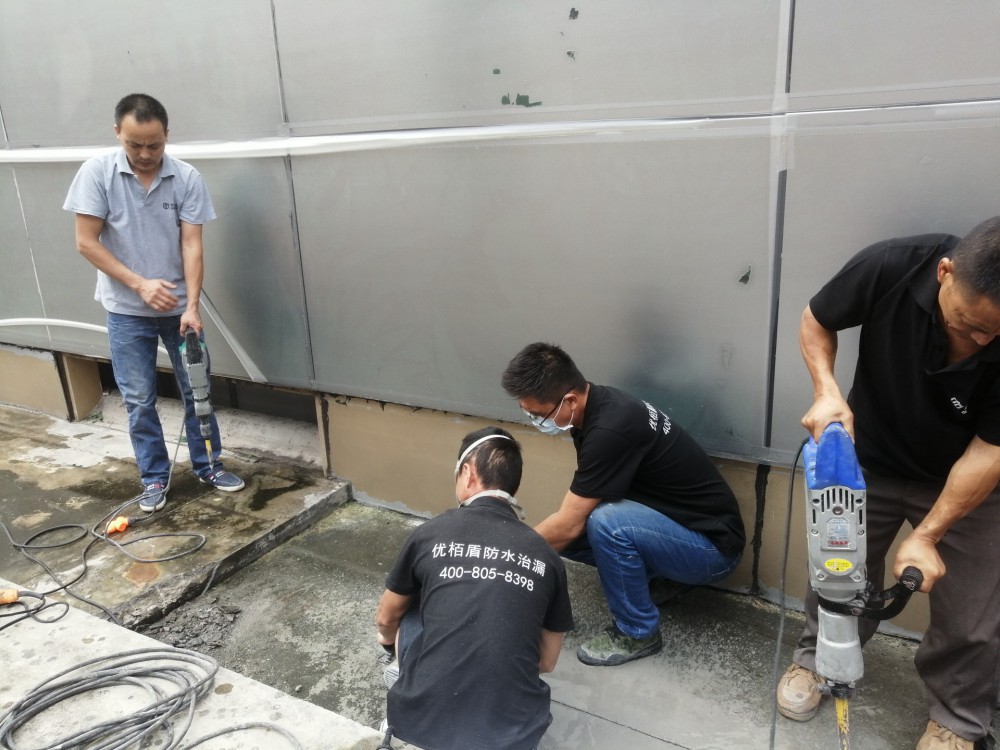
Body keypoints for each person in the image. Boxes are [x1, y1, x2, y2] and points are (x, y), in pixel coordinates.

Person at [776, 218, 1000, 750]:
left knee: (972, 613)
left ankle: (958, 719)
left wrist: (929, 534)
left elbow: (991, 450)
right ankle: (819, 662)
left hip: (966, 479)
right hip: (868, 463)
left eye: (996, 333)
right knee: (836, 571)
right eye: (971, 324)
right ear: (944, 273)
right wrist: (827, 391)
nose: (981, 341)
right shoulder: (892, 265)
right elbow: (816, 319)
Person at [501, 342, 745, 667]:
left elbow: (569, 523)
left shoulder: (609, 429)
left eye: (538, 414)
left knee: (604, 523)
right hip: (680, 527)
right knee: (572, 533)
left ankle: (637, 631)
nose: (535, 421)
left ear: (569, 400)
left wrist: (504, 557)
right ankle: (652, 580)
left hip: (711, 550)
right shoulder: (595, 408)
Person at [63, 93, 244, 513]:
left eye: (154, 145)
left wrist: (192, 305)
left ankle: (209, 465)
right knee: (139, 399)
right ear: (117, 133)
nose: (145, 154)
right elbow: (86, 242)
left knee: (197, 391)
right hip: (125, 312)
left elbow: (192, 245)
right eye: (134, 144)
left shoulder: (187, 178)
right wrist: (140, 285)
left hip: (180, 311)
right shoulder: (96, 174)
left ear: (167, 135)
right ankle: (154, 478)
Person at [375, 427, 573, 750]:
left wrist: (388, 645)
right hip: (514, 737)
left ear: (467, 474)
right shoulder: (546, 557)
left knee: (412, 604)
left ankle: (406, 691)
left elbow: (386, 617)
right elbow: (548, 661)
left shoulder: (430, 534)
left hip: (420, 727)